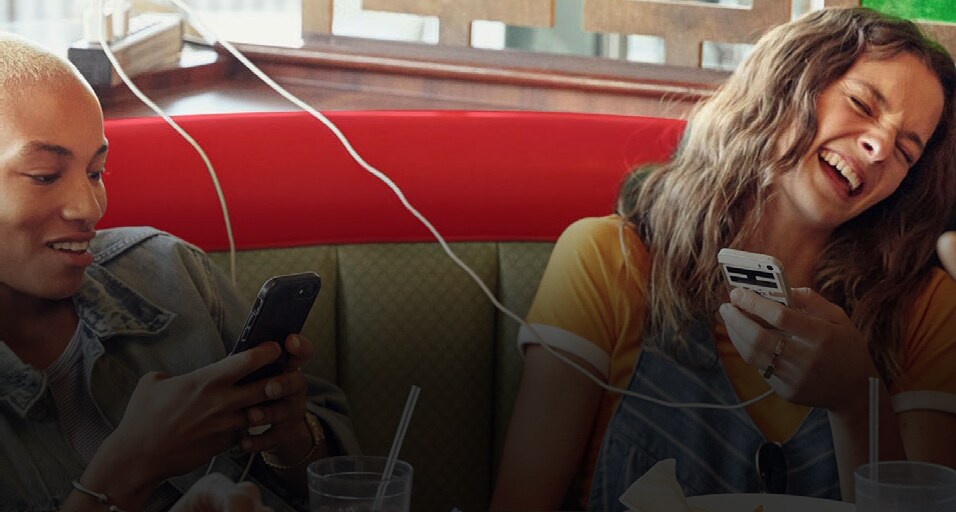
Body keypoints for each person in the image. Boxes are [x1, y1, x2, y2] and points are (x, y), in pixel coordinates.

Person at [491, 7, 956, 511]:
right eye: (862, 103)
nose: (879, 146)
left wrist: (855, 401)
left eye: (907, 151)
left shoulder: (927, 309)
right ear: (785, 83)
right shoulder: (611, 260)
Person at [0, 33, 360, 511]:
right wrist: (133, 466)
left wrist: (290, 440)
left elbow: (349, 480)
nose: (89, 207)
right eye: (46, 175)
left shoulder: (171, 271)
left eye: (96, 172)